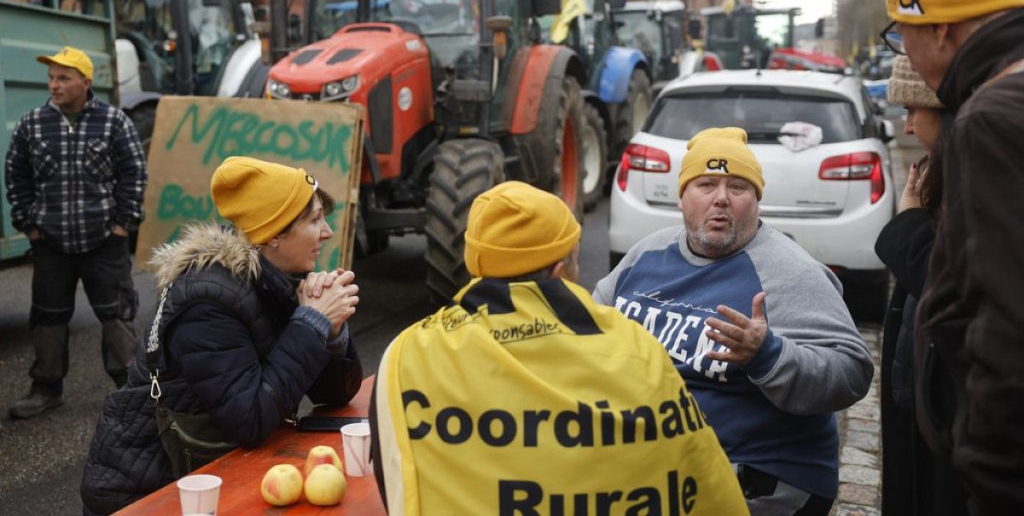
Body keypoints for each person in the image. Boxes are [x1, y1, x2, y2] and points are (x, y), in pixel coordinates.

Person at [371, 181, 748, 515]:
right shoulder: (635, 347)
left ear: (478, 264)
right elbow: (706, 486)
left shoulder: (408, 354)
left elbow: (396, 481)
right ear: (560, 269)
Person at [593, 128, 873, 516]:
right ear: (682, 198)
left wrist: (767, 355)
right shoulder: (646, 254)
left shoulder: (790, 272)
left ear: (757, 200)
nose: (721, 198)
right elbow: (590, 331)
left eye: (738, 187)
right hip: (656, 468)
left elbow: (852, 372)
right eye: (706, 184)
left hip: (756, 479)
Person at [80, 156, 364, 514]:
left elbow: (336, 395)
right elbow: (249, 419)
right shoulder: (207, 301)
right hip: (150, 490)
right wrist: (310, 323)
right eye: (314, 220)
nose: (326, 232)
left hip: (214, 472)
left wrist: (331, 331)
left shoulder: (275, 280)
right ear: (274, 234)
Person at [883, 0, 1024, 512]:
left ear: (938, 27)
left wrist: (987, 481)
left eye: (901, 34)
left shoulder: (991, 118)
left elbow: (1007, 327)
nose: (906, 54)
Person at [4, 46, 148, 419]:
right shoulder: (32, 124)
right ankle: (46, 388)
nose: (54, 85)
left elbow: (134, 172)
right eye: (51, 78)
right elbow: (16, 175)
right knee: (48, 315)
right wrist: (29, 226)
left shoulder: (114, 122)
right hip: (50, 242)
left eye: (63, 78)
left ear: (85, 82)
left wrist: (122, 226)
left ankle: (129, 388)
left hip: (103, 240)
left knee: (116, 313)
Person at [875, 56, 965, 516]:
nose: (907, 128)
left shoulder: (979, 181)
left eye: (913, 111)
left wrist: (909, 223)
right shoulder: (946, 176)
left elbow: (950, 290)